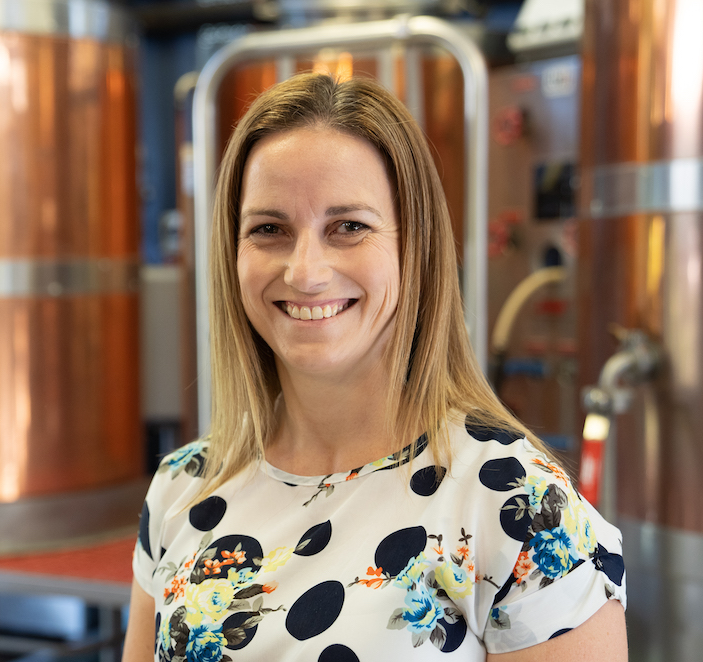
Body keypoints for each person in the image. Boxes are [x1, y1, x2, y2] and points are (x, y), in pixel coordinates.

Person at [124, 72, 626, 661]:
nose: (305, 271)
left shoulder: (520, 507)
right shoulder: (184, 488)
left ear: (414, 248)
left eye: (349, 227)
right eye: (269, 230)